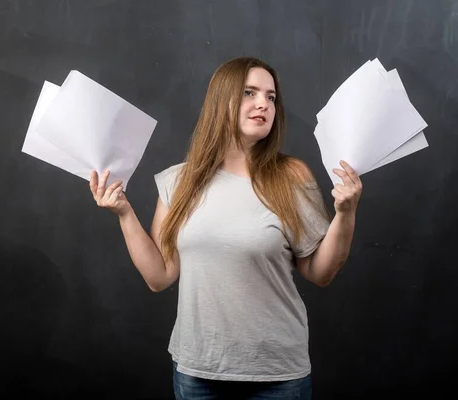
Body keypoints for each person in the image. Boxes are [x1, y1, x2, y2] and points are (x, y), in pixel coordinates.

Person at [89, 57, 362, 399]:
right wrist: (124, 213)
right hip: (198, 372)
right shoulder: (178, 181)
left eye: (271, 97)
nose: (263, 103)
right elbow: (160, 277)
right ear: (222, 101)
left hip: (276, 373)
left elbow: (320, 272)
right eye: (249, 93)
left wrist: (346, 212)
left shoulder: (291, 176)